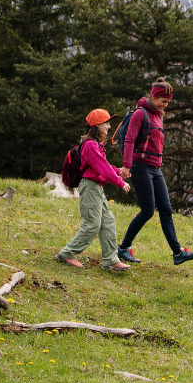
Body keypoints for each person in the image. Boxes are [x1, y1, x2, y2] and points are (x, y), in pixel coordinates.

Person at [118, 79, 193, 266]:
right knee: (148, 211)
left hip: (155, 169)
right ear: (154, 96)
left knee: (166, 209)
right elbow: (130, 140)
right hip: (140, 166)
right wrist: (126, 166)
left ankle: (177, 253)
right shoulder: (140, 114)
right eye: (163, 101)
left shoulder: (159, 115)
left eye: (167, 103)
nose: (165, 105)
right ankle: (123, 248)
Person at [57, 109, 134, 273]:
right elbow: (103, 168)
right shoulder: (91, 145)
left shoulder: (97, 144)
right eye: (106, 123)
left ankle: (111, 260)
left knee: (108, 222)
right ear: (97, 124)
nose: (109, 126)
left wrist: (119, 171)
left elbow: (104, 166)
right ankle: (67, 253)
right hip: (90, 187)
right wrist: (120, 182)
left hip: (96, 187)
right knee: (92, 224)